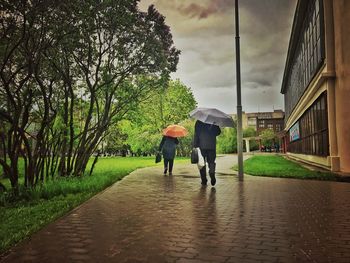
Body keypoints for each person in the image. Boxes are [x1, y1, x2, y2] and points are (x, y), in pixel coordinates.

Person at [193, 120, 221, 186]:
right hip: (211, 146)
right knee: (211, 161)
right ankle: (212, 172)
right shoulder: (213, 121)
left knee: (201, 163)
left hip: (201, 146)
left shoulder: (198, 122)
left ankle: (204, 180)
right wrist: (214, 126)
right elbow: (218, 132)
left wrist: (195, 145)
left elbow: (196, 134)